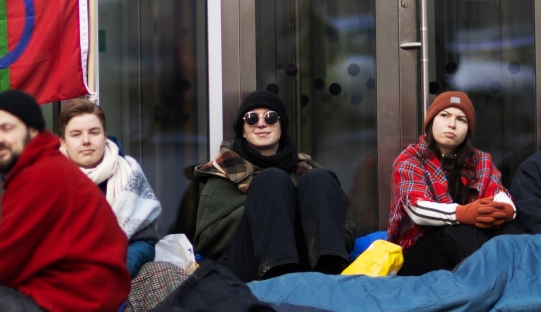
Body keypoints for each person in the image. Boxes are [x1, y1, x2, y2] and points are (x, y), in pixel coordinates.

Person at [0, 90, 130, 312]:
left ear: (32, 130)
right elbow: (10, 244)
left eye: (7, 128)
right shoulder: (38, 168)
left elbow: (6, 259)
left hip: (74, 303)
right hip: (55, 292)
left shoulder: (44, 174)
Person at [194, 91, 355, 282]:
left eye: (270, 117)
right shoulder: (224, 171)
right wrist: (263, 207)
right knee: (272, 180)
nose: (261, 123)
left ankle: (328, 278)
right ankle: (278, 283)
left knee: (318, 178)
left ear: (281, 127)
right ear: (243, 131)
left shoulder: (308, 169)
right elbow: (205, 240)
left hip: (309, 264)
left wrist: (302, 216)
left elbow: (346, 230)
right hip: (248, 265)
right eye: (251, 118)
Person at [387, 91, 516, 275]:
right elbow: (417, 209)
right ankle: (501, 277)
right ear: (431, 122)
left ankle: (520, 278)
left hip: (469, 244)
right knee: (454, 230)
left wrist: (506, 210)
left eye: (461, 119)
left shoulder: (480, 160)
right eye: (444, 115)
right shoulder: (410, 159)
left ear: (468, 130)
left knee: (510, 226)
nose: (452, 124)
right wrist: (462, 213)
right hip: (420, 251)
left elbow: (498, 192)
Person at [58, 98, 161, 277]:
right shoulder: (46, 182)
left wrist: (118, 269)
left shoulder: (130, 175)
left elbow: (145, 241)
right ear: (63, 142)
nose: (86, 141)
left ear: (105, 136)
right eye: (76, 134)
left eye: (94, 132)